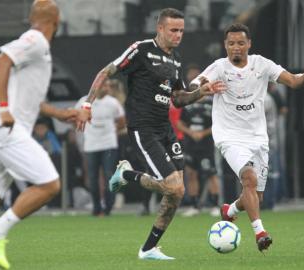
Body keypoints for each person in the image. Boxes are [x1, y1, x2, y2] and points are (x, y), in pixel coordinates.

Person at [77, 8, 225, 260]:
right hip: (142, 127)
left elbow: (178, 99)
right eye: (173, 30)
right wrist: (87, 105)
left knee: (177, 192)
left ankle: (148, 249)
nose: (178, 35)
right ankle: (127, 174)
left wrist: (201, 92)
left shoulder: (175, 59)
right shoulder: (141, 49)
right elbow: (106, 71)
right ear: (160, 29)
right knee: (175, 188)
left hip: (165, 128)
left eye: (181, 31)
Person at [190, 23, 304, 252]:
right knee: (248, 179)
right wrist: (202, 88)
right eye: (231, 44)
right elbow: (195, 83)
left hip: (258, 138)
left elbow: (294, 81)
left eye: (241, 43)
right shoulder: (219, 67)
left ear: (249, 44)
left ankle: (229, 211)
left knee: (255, 197)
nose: (236, 48)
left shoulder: (262, 65)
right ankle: (260, 233)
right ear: (225, 45)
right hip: (229, 136)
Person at [0, 1, 78, 269]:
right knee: (50, 184)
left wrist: (60, 114)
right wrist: (3, 107)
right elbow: (1, 61)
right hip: (7, 127)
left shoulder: (37, 48)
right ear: (56, 20)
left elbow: (32, 101)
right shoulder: (35, 40)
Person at [76, 78, 125, 216]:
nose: (108, 88)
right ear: (97, 86)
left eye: (109, 85)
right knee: (92, 178)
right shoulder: (84, 101)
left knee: (110, 175)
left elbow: (121, 121)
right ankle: (96, 207)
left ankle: (108, 208)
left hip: (109, 144)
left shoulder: (113, 103)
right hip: (91, 145)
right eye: (105, 85)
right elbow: (75, 116)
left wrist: (111, 131)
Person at [177, 96, 221, 217]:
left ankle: (215, 205)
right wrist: (191, 132)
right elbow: (179, 123)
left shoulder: (211, 104)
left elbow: (219, 124)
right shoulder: (187, 105)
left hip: (206, 146)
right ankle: (195, 206)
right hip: (190, 145)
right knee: (191, 174)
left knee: (211, 174)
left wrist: (203, 133)